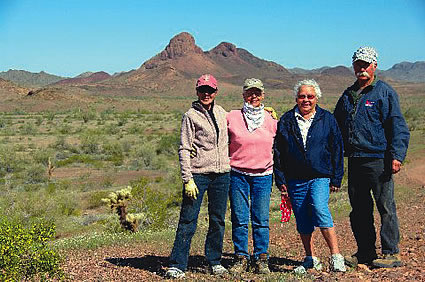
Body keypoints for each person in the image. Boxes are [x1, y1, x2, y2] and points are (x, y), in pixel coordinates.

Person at [334, 47, 410, 268]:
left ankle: (391, 252)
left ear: (375, 65)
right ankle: (366, 251)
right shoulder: (348, 95)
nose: (362, 68)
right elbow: (336, 126)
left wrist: (397, 155)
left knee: (385, 206)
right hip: (355, 160)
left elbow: (398, 126)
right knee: (359, 209)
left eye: (366, 64)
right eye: (358, 64)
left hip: (379, 160)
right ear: (353, 65)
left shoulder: (384, 92)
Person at [274, 79, 346, 274]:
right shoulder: (286, 120)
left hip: (320, 175)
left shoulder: (327, 119)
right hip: (295, 178)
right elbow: (278, 152)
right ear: (296, 98)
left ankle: (336, 256)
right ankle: (310, 258)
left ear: (317, 98)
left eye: (310, 96)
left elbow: (337, 148)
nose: (306, 100)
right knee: (302, 217)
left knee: (319, 207)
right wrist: (280, 179)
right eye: (302, 96)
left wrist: (337, 176)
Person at [165, 74, 231, 279]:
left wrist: (265, 111)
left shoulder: (222, 112)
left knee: (218, 219)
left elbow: (240, 122)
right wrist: (188, 179)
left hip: (221, 175)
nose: (206, 94)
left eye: (210, 90)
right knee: (188, 219)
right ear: (197, 91)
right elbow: (184, 148)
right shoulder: (190, 116)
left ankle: (214, 261)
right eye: (202, 90)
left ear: (216, 92)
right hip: (199, 174)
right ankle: (177, 264)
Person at [226, 78, 277, 274]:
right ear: (243, 95)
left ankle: (261, 257)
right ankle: (241, 257)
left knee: (261, 218)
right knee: (239, 217)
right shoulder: (231, 116)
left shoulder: (271, 119)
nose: (253, 96)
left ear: (263, 95)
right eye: (249, 92)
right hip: (238, 174)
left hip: (264, 175)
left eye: (257, 92)